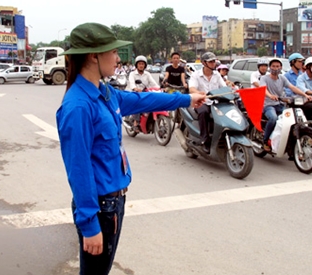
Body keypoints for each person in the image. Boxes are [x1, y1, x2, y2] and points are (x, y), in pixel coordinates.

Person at [56, 23, 206, 275]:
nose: (117, 59)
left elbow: (143, 99)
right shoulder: (78, 107)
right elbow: (78, 170)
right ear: (94, 56)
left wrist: (187, 99)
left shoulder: (103, 92)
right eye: (113, 52)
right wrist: (90, 225)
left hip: (114, 202)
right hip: (101, 208)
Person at [259, 58, 311, 152]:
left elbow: (292, 87)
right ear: (270, 67)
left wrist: (305, 95)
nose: (275, 68)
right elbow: (263, 89)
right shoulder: (264, 78)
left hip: (280, 104)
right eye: (273, 66)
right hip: (268, 105)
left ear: (281, 67)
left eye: (277, 66)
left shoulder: (282, 78)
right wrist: (270, 95)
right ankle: (265, 141)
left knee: (292, 120)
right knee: (273, 118)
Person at [189, 52, 227, 153]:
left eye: (214, 61)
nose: (213, 64)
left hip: (215, 103)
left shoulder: (217, 75)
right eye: (211, 62)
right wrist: (199, 94)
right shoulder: (196, 75)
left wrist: (233, 91)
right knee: (203, 112)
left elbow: (224, 88)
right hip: (201, 102)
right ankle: (204, 140)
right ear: (204, 63)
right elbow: (192, 89)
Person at [128, 55, 160, 132]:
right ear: (136, 65)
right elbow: (132, 83)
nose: (141, 65)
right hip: (135, 94)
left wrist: (159, 89)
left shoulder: (147, 74)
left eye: (143, 64)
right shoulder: (132, 74)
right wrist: (135, 88)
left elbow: (154, 83)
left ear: (145, 65)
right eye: (139, 64)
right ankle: (135, 123)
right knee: (139, 104)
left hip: (145, 94)